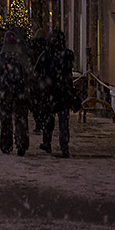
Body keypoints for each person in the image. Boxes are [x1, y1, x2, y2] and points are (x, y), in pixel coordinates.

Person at [34, 28, 77, 157]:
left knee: (49, 119)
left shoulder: (46, 54)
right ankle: (64, 145)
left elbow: (37, 71)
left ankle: (47, 142)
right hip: (63, 91)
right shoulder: (67, 55)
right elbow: (68, 73)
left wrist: (42, 84)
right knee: (64, 121)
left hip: (50, 92)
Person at [0, 28, 33, 155]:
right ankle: (22, 143)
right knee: (21, 119)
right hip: (20, 93)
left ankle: (6, 145)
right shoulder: (22, 57)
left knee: (6, 120)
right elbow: (30, 74)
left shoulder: (0, 58)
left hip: (5, 93)